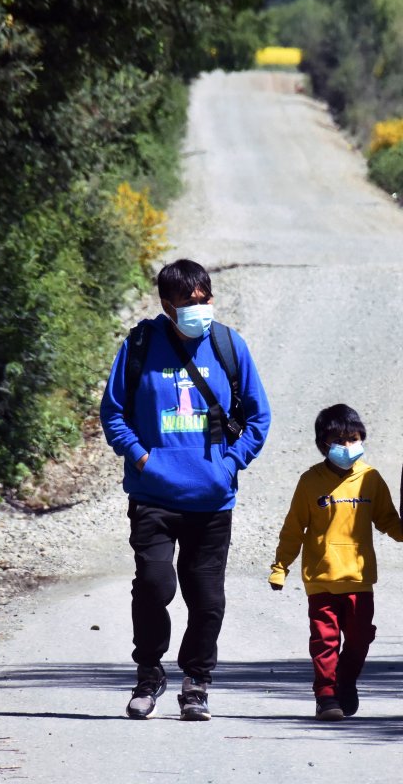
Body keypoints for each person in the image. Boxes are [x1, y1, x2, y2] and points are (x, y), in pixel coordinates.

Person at [100, 259, 270, 721]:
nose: (200, 307)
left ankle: (196, 682)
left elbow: (259, 417)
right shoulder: (139, 346)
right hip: (153, 497)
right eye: (189, 301)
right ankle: (149, 674)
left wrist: (229, 464)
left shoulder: (229, 345)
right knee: (154, 585)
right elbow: (113, 413)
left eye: (205, 298)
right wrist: (142, 458)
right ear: (167, 304)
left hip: (212, 502)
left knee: (207, 599)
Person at [268, 404, 403, 721]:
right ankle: (326, 696)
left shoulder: (370, 479)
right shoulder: (310, 481)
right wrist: (280, 567)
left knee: (359, 638)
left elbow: (388, 520)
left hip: (359, 579)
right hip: (321, 579)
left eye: (353, 439)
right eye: (339, 441)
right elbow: (293, 529)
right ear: (323, 444)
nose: (347, 446)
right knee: (324, 642)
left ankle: (345, 680)